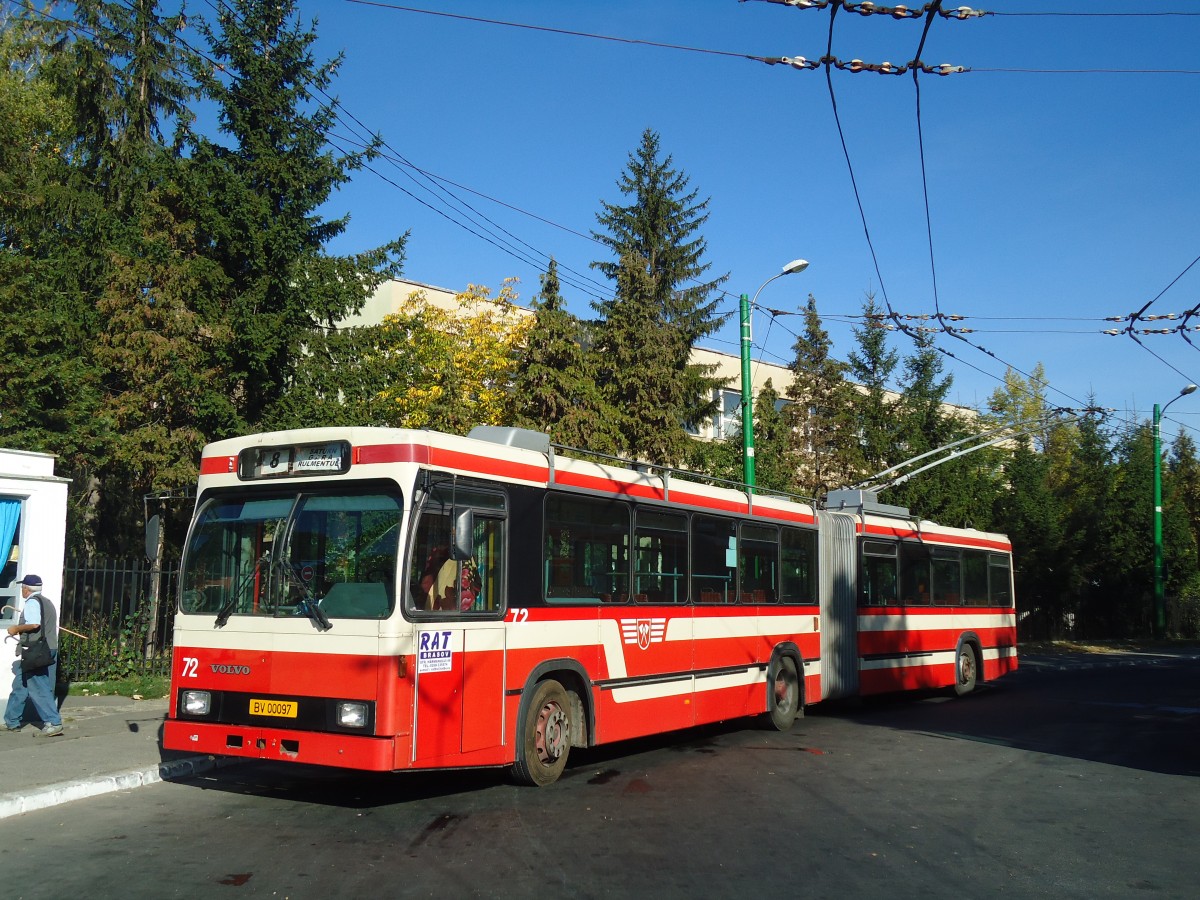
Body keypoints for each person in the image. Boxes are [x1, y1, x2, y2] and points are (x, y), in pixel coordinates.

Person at [4, 574, 63, 736]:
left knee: (38, 686)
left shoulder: (32, 603)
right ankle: (12, 720)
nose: (21, 590)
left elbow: (34, 624)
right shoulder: (47, 602)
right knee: (21, 685)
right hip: (47, 648)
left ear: (26, 589)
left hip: (36, 651)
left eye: (22, 587)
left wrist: (16, 629)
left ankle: (53, 722)